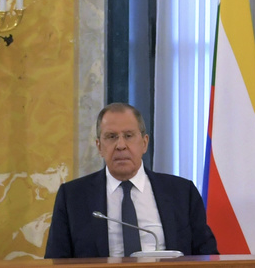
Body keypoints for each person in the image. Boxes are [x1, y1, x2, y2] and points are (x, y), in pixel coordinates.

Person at [44, 103, 219, 257]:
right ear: (99, 146)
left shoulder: (182, 192)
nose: (121, 145)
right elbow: (56, 260)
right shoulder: (73, 197)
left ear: (144, 143)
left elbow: (207, 256)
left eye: (128, 136)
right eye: (111, 137)